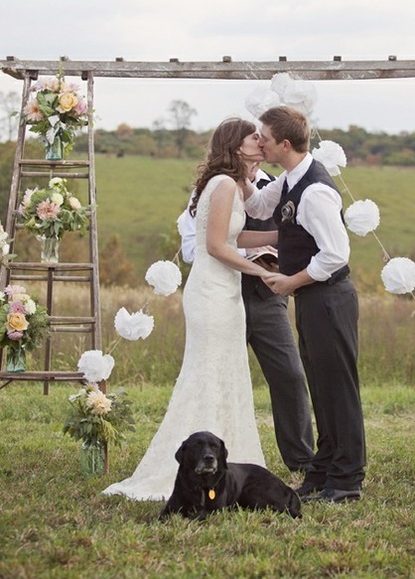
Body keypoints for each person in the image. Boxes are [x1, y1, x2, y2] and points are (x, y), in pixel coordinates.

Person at [104, 118, 278, 501]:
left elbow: (235, 235)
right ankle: (196, 462)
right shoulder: (222, 184)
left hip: (225, 290)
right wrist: (260, 272)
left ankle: (221, 462)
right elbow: (216, 246)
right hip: (212, 291)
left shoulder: (233, 184)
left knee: (226, 372)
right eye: (254, 137)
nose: (260, 141)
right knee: (208, 373)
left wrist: (280, 236)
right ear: (236, 145)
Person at [244, 106, 366, 504]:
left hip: (330, 299)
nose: (258, 140)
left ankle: (347, 480)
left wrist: (289, 282)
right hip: (313, 300)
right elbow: (259, 208)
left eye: (263, 136)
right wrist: (241, 170)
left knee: (338, 390)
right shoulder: (288, 180)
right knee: (320, 385)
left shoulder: (313, 191)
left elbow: (336, 254)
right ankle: (324, 470)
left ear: (283, 143)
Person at [178, 164, 315, 474]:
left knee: (290, 375)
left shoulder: (280, 190)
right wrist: (246, 252)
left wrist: (279, 256)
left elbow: (292, 239)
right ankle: (206, 458)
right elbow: (192, 248)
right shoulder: (210, 190)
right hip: (223, 297)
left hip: (268, 299)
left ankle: (302, 460)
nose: (257, 157)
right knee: (217, 378)